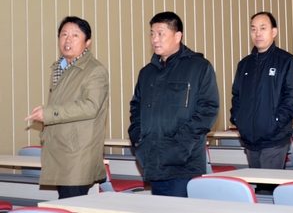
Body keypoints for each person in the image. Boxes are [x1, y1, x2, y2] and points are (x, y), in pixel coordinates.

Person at [128, 12, 219, 197]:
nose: (155, 39)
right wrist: (139, 140)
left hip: (184, 163)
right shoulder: (147, 73)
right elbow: (136, 108)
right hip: (153, 161)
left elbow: (208, 109)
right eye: (152, 34)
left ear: (178, 36)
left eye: (161, 33)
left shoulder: (199, 67)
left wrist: (181, 144)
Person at [25, 16, 109, 199]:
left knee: (71, 208)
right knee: (65, 207)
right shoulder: (59, 67)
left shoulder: (95, 70)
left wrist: (49, 113)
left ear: (88, 42)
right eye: (63, 35)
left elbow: (90, 106)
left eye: (75, 35)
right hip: (59, 150)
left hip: (77, 154)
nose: (68, 40)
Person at [230, 12, 293, 170]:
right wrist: (238, 119)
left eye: (263, 28)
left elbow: (292, 100)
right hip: (249, 140)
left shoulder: (286, 61)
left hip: (275, 140)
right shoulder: (244, 64)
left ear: (274, 32)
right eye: (253, 29)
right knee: (257, 184)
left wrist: (275, 123)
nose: (257, 33)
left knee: (268, 183)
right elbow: (237, 96)